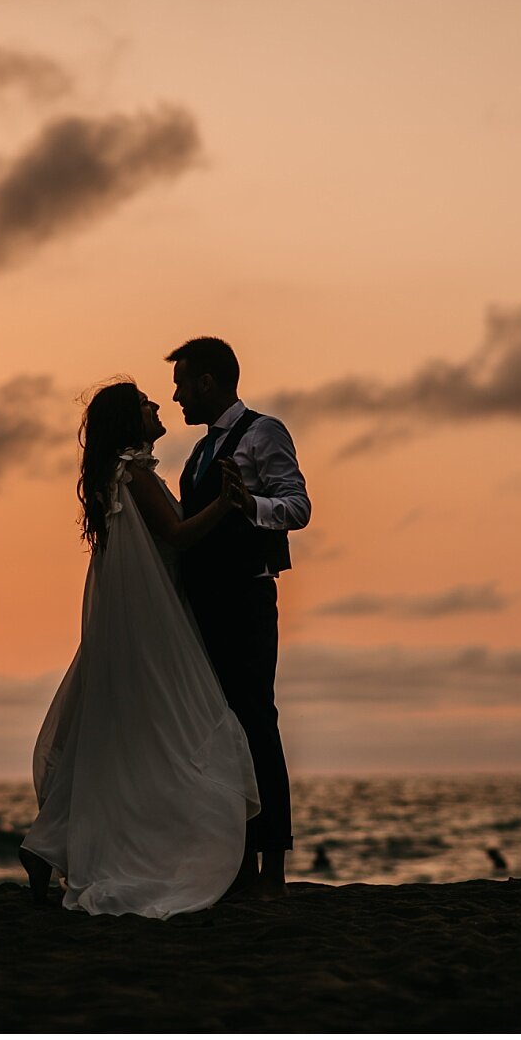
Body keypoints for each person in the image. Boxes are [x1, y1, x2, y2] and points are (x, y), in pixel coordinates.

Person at [19, 381, 260, 918]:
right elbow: (177, 536)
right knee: (179, 726)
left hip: (136, 619)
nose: (158, 406)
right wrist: (227, 503)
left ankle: (46, 847)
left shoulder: (117, 476)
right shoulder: (134, 473)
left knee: (108, 740)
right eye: (148, 403)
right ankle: (65, 847)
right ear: (132, 421)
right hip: (152, 624)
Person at [166, 337, 311, 900]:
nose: (175, 396)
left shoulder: (263, 431)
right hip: (203, 605)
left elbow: (298, 506)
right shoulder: (200, 451)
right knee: (217, 729)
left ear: (207, 381)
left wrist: (251, 506)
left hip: (245, 601)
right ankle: (235, 861)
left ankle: (271, 866)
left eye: (181, 383)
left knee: (254, 721)